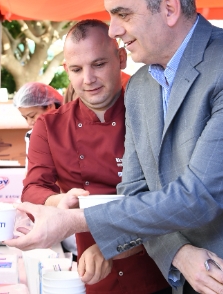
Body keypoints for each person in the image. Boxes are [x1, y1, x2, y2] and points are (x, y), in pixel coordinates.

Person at [6, 0, 223, 294]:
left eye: (123, 14)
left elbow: (198, 196)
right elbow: (133, 191)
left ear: (169, 8)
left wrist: (72, 220)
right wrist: (177, 251)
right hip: (184, 279)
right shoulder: (142, 86)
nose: (112, 30)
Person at [21, 20, 169, 294]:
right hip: (93, 277)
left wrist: (112, 247)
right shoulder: (49, 126)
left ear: (121, 58)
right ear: (66, 70)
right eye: (76, 69)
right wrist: (59, 200)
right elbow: (32, 189)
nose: (87, 79)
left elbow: (167, 199)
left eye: (98, 64)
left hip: (160, 273)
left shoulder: (152, 114)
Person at [12, 82, 62, 154]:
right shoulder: (31, 136)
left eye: (32, 116)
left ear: (50, 106)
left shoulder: (72, 129)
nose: (29, 122)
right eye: (25, 118)